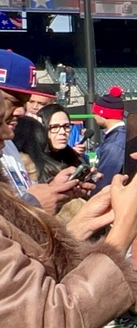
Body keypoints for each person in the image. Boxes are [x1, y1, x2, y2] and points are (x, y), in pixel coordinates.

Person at [0, 84, 137, 328]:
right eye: (12, 100)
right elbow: (52, 318)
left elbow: (22, 275)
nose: (23, 112)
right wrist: (123, 231)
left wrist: (80, 225)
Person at [0, 51, 90, 213]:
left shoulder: (8, 145)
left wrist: (52, 189)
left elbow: (21, 194)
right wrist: (35, 204)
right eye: (15, 101)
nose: (22, 111)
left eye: (25, 103)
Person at [92, 86, 126, 193]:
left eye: (95, 114)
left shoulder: (114, 143)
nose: (94, 117)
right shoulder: (121, 135)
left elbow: (104, 182)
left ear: (103, 114)